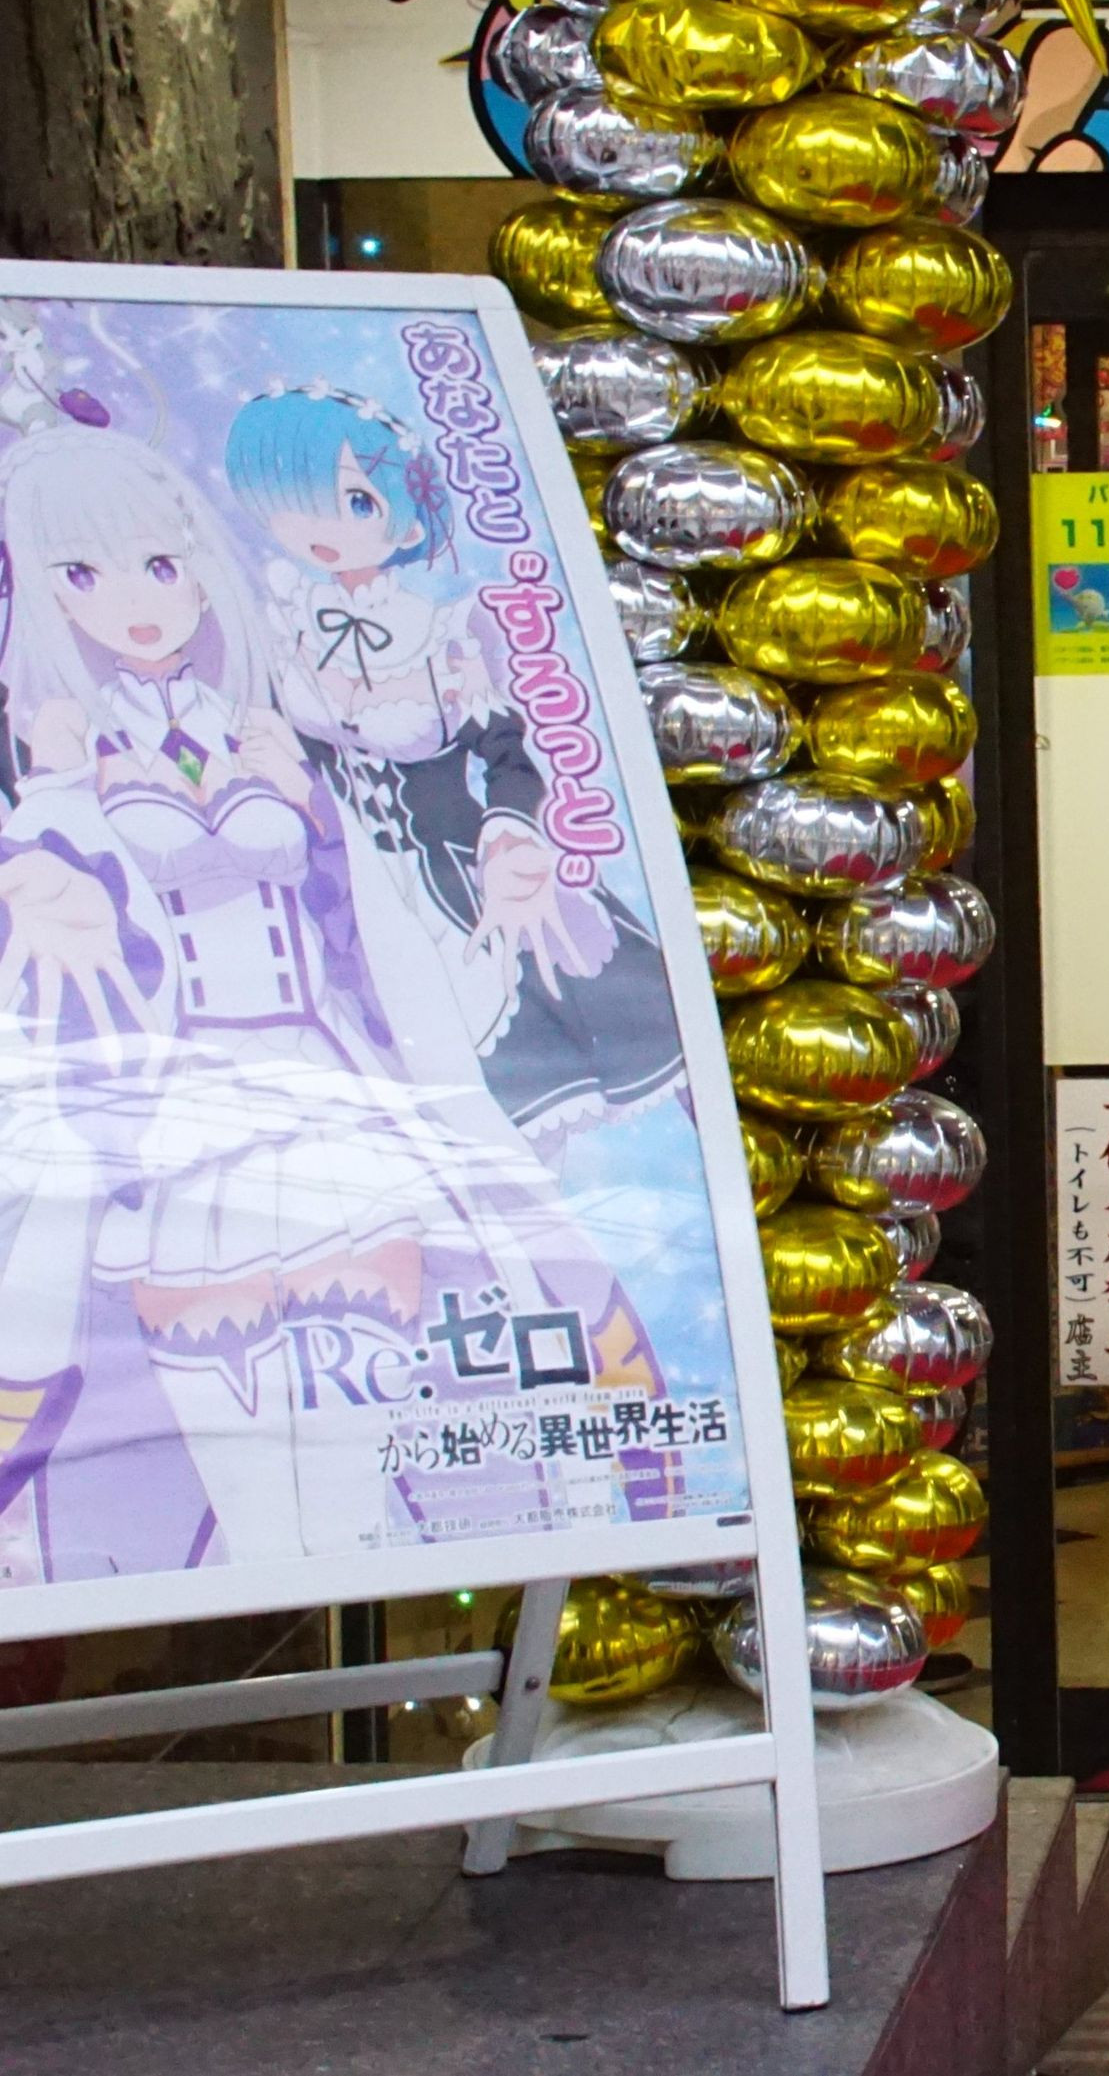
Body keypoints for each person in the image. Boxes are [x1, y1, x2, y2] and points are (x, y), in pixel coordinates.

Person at [0, 415, 664, 1574]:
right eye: (84, 575)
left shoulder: (265, 724)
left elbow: (367, 908)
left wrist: (462, 847)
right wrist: (54, 824)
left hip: (326, 1071)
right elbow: (62, 920)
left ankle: (528, 1515)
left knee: (388, 1378)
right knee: (209, 1398)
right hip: (178, 1102)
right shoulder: (56, 755)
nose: (138, 601)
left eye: (159, 563)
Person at [221, 386, 680, 1146]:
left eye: (356, 503)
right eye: (295, 503)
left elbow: (509, 756)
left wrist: (507, 833)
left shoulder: (442, 630)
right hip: (347, 882)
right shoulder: (283, 622)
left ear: (405, 513)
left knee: (544, 1058)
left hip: (463, 874)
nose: (321, 528)